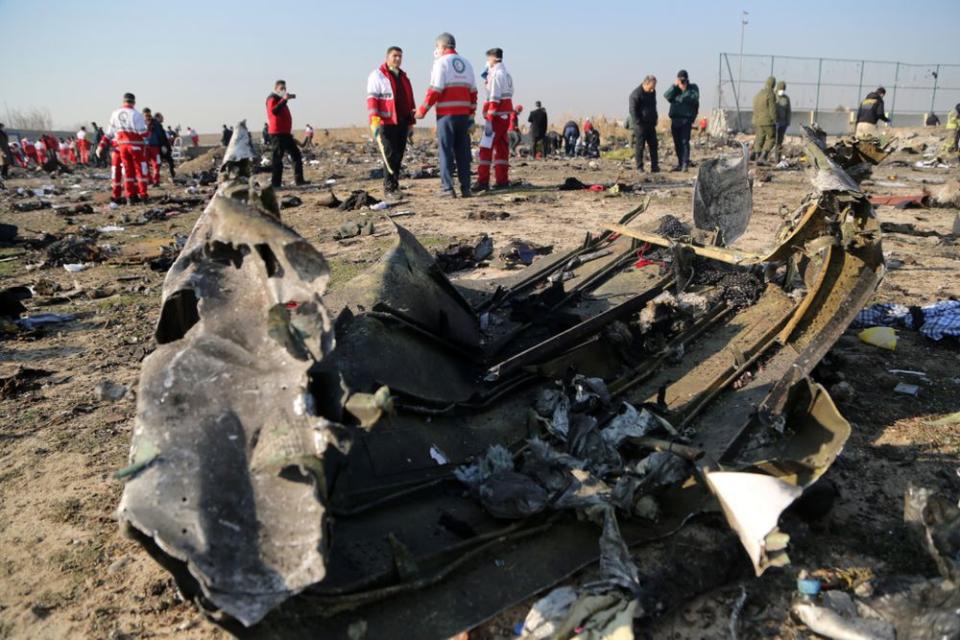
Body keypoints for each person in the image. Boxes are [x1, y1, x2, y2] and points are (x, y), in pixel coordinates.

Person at [414, 32, 477, 198]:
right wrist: (471, 117)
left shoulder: (440, 63)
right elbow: (474, 93)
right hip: (463, 116)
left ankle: (447, 189)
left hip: (446, 115)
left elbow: (435, 90)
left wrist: (422, 111)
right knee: (463, 153)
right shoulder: (467, 63)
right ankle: (466, 189)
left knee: (445, 151)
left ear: (441, 47)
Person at [366, 45, 416, 199]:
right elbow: (372, 99)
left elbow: (409, 101)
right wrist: (374, 119)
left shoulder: (404, 77)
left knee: (398, 155)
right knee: (389, 155)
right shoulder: (378, 75)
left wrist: (410, 123)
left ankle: (395, 186)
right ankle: (388, 189)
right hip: (385, 123)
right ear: (387, 57)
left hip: (401, 122)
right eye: (395, 56)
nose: (398, 59)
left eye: (400, 56)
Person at [96, 91, 149, 204]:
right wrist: (148, 132)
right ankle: (143, 195)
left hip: (121, 147)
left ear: (123, 101)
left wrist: (100, 146)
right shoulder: (136, 114)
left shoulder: (115, 113)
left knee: (128, 172)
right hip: (136, 146)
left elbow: (108, 134)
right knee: (140, 171)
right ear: (134, 102)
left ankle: (129, 197)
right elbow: (143, 133)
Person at [474, 47, 514, 191]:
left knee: (485, 148)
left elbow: (494, 99)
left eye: (487, 59)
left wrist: (489, 118)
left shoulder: (496, 74)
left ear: (492, 58)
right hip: (505, 116)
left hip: (496, 117)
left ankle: (483, 181)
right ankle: (502, 180)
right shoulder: (506, 74)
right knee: (502, 149)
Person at [266, 79, 307, 188]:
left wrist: (284, 100)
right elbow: (274, 111)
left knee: (296, 155)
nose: (284, 90)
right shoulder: (272, 98)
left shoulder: (280, 100)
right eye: (281, 88)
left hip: (285, 133)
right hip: (277, 133)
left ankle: (299, 180)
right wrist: (284, 100)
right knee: (277, 159)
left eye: (285, 88)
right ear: (276, 89)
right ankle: (276, 183)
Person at [663, 69, 699, 172]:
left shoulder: (693, 88)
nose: (682, 82)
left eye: (683, 80)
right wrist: (675, 86)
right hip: (675, 119)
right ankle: (680, 163)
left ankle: (685, 164)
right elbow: (666, 96)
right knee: (677, 142)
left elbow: (694, 98)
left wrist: (682, 94)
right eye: (680, 80)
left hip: (686, 119)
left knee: (684, 142)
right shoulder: (675, 89)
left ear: (687, 79)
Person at [628, 75, 659, 172]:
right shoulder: (636, 94)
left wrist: (655, 117)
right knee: (640, 146)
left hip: (651, 124)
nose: (653, 89)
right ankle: (639, 167)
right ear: (646, 83)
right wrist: (638, 122)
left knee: (654, 145)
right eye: (652, 86)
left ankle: (655, 167)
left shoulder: (652, 93)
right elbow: (632, 110)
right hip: (640, 125)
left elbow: (654, 106)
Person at [751, 76, 777, 164]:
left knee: (759, 138)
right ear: (773, 84)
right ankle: (763, 156)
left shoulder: (759, 94)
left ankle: (757, 157)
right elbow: (772, 109)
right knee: (772, 138)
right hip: (767, 121)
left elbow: (754, 106)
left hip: (758, 120)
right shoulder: (770, 94)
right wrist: (775, 120)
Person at [143, 108, 171, 186]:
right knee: (145, 164)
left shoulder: (156, 124)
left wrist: (163, 145)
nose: (148, 116)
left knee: (157, 163)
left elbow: (161, 135)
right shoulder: (140, 123)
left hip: (155, 147)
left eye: (149, 114)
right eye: (146, 115)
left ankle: (156, 180)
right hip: (145, 147)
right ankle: (148, 179)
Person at [775, 81, 791, 161]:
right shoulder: (773, 96)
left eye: (783, 89)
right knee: (773, 140)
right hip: (775, 122)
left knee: (779, 141)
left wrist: (788, 122)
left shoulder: (786, 98)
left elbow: (788, 111)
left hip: (783, 122)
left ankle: (777, 158)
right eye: (781, 88)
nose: (782, 90)